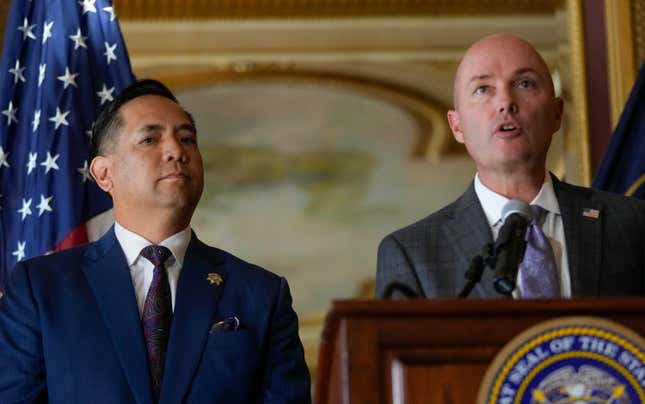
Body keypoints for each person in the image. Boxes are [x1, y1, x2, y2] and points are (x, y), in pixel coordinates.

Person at [0, 79, 311, 403]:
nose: (177, 151)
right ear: (104, 173)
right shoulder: (40, 287)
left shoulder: (261, 293)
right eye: (150, 139)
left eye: (187, 138)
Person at [376, 34, 645, 299]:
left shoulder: (632, 223)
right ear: (456, 126)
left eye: (524, 84)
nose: (506, 102)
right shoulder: (412, 253)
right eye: (483, 89)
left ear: (557, 114)